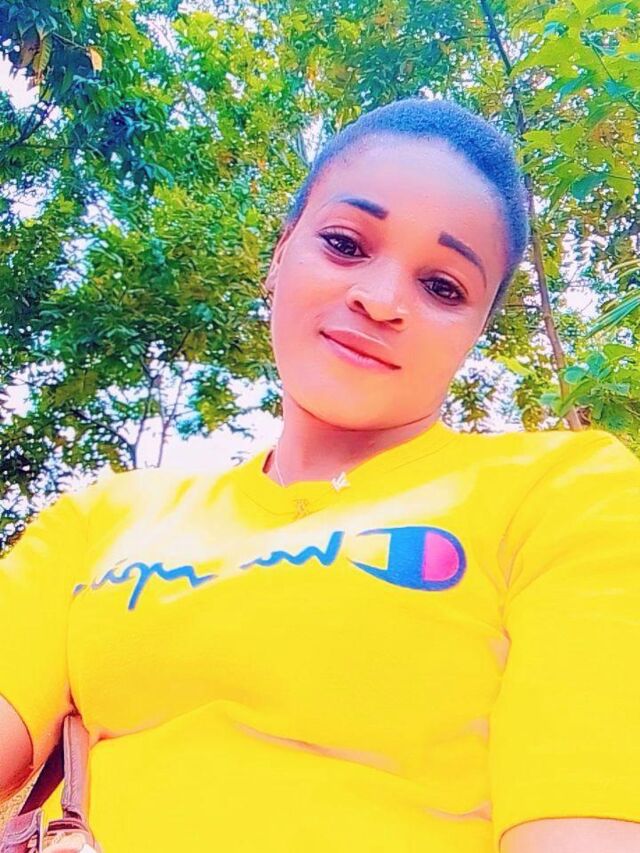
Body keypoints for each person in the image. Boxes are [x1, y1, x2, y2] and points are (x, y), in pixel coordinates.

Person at [1, 97, 639, 853]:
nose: (380, 299)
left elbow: (584, 825)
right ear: (281, 253)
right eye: (345, 243)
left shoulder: (564, 493)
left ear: (476, 330)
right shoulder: (101, 520)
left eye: (443, 286)